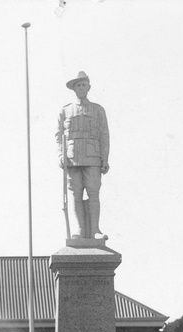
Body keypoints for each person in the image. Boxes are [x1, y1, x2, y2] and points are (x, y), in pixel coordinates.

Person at [57, 71, 109, 240]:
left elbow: (104, 135)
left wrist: (105, 158)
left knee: (93, 193)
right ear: (74, 89)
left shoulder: (98, 110)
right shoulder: (65, 111)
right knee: (76, 194)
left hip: (93, 157)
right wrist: (61, 155)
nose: (81, 87)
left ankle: (95, 230)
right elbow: (59, 136)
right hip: (73, 158)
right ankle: (79, 229)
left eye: (83, 85)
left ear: (89, 87)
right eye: (78, 85)